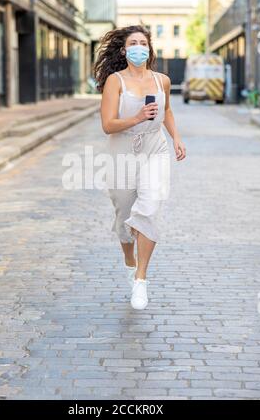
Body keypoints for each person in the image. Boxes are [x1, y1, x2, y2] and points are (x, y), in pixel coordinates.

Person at [94, 25, 186, 310]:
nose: (138, 47)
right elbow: (108, 125)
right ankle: (129, 258)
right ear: (124, 50)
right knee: (124, 215)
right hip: (123, 150)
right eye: (132, 43)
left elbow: (167, 110)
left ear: (149, 49)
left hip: (154, 149)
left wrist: (176, 138)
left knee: (150, 208)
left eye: (143, 42)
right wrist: (136, 118)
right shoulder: (115, 81)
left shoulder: (162, 81)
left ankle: (141, 280)